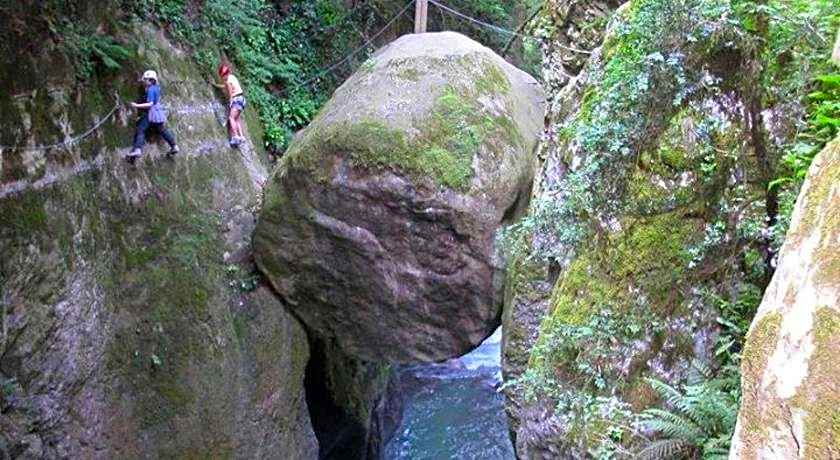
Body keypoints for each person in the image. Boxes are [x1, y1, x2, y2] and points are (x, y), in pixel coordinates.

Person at [127, 70, 178, 161]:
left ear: (151, 80)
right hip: (158, 112)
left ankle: (138, 149)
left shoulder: (150, 89)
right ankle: (174, 146)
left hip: (151, 113)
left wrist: (136, 105)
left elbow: (150, 103)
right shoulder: (157, 88)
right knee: (162, 129)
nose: (144, 81)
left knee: (141, 129)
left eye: (146, 80)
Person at [210, 63, 246, 148]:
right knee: (236, 119)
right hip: (242, 99)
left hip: (236, 99)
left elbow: (230, 92)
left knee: (231, 118)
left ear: (225, 74)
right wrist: (215, 85)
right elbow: (224, 86)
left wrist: (230, 101)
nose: (222, 78)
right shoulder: (232, 77)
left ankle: (235, 136)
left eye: (222, 76)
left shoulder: (228, 81)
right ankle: (241, 136)